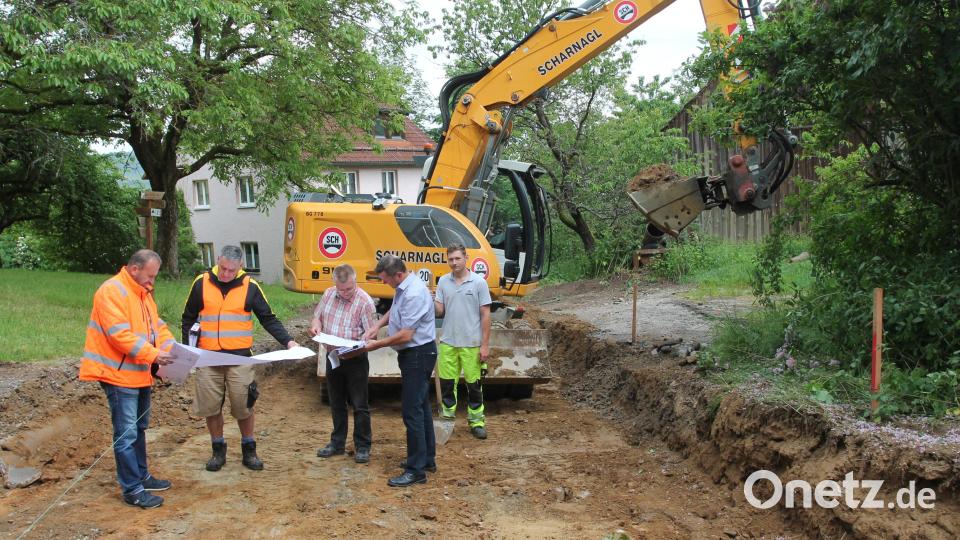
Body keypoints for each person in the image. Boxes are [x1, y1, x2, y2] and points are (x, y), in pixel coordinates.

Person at [181, 245, 299, 472]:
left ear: (240, 267)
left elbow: (268, 318)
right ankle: (218, 449)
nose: (226, 274)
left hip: (240, 359)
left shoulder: (250, 287)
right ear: (218, 260)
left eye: (231, 270)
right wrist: (189, 351)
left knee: (244, 406)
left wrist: (289, 342)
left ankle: (249, 448)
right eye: (223, 268)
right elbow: (188, 318)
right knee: (211, 407)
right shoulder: (200, 283)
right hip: (207, 358)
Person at [80, 249, 176, 509]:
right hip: (118, 375)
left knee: (139, 429)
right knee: (126, 434)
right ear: (135, 269)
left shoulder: (142, 294)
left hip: (139, 372)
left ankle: (142, 476)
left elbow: (158, 327)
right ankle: (132, 489)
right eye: (150, 276)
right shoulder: (112, 291)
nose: (152, 282)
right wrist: (155, 354)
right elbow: (119, 335)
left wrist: (172, 347)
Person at [363, 254, 436, 487]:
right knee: (421, 407)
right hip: (414, 355)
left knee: (411, 412)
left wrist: (377, 344)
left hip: (418, 354)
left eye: (386, 279)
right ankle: (426, 460)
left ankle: (416, 471)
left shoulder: (414, 293)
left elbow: (406, 335)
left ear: (398, 274)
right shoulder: (404, 288)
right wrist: (376, 326)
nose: (385, 283)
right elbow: (393, 311)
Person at [309, 264, 376, 464]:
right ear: (335, 284)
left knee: (359, 404)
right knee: (336, 402)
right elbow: (317, 317)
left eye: (349, 288)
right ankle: (337, 443)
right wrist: (315, 325)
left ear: (355, 281)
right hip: (333, 357)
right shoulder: (329, 294)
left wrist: (359, 345)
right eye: (341, 289)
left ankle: (363, 446)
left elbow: (371, 336)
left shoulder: (364, 302)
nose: (345, 293)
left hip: (355, 359)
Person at [434, 243, 492, 439]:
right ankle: (447, 419)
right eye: (450, 259)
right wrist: (428, 299)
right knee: (448, 384)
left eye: (457, 258)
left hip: (471, 344)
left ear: (466, 258)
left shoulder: (478, 283)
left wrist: (484, 345)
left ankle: (476, 421)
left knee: (473, 384)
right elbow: (439, 311)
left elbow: (485, 315)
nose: (454, 262)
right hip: (448, 341)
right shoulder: (443, 282)